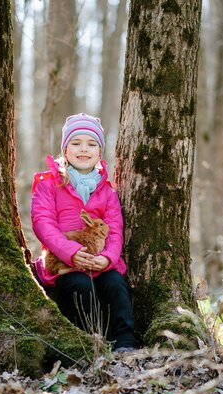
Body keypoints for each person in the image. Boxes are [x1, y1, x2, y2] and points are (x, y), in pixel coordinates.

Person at [31, 113, 136, 353]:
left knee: (115, 285)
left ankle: (124, 342)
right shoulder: (50, 184)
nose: (83, 150)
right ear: (65, 150)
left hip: (100, 263)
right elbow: (42, 222)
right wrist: (71, 252)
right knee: (80, 286)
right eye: (76, 143)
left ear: (99, 153)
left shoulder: (107, 192)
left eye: (91, 144)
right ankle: (85, 343)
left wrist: (108, 258)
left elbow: (115, 230)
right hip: (64, 264)